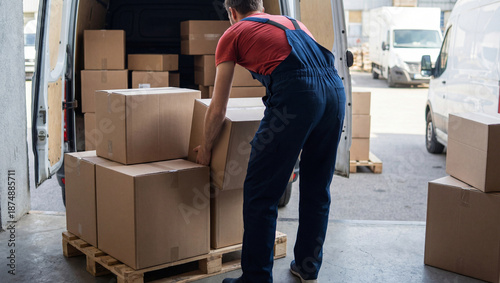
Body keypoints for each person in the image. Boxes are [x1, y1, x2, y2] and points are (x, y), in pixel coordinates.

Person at [193, 1, 346, 282]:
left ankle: (256, 277)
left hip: (298, 96)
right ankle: (308, 267)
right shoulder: (294, 23)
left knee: (261, 192)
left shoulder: (234, 32)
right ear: (261, 6)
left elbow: (218, 107)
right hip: (335, 93)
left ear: (231, 12)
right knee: (317, 187)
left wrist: (206, 147)